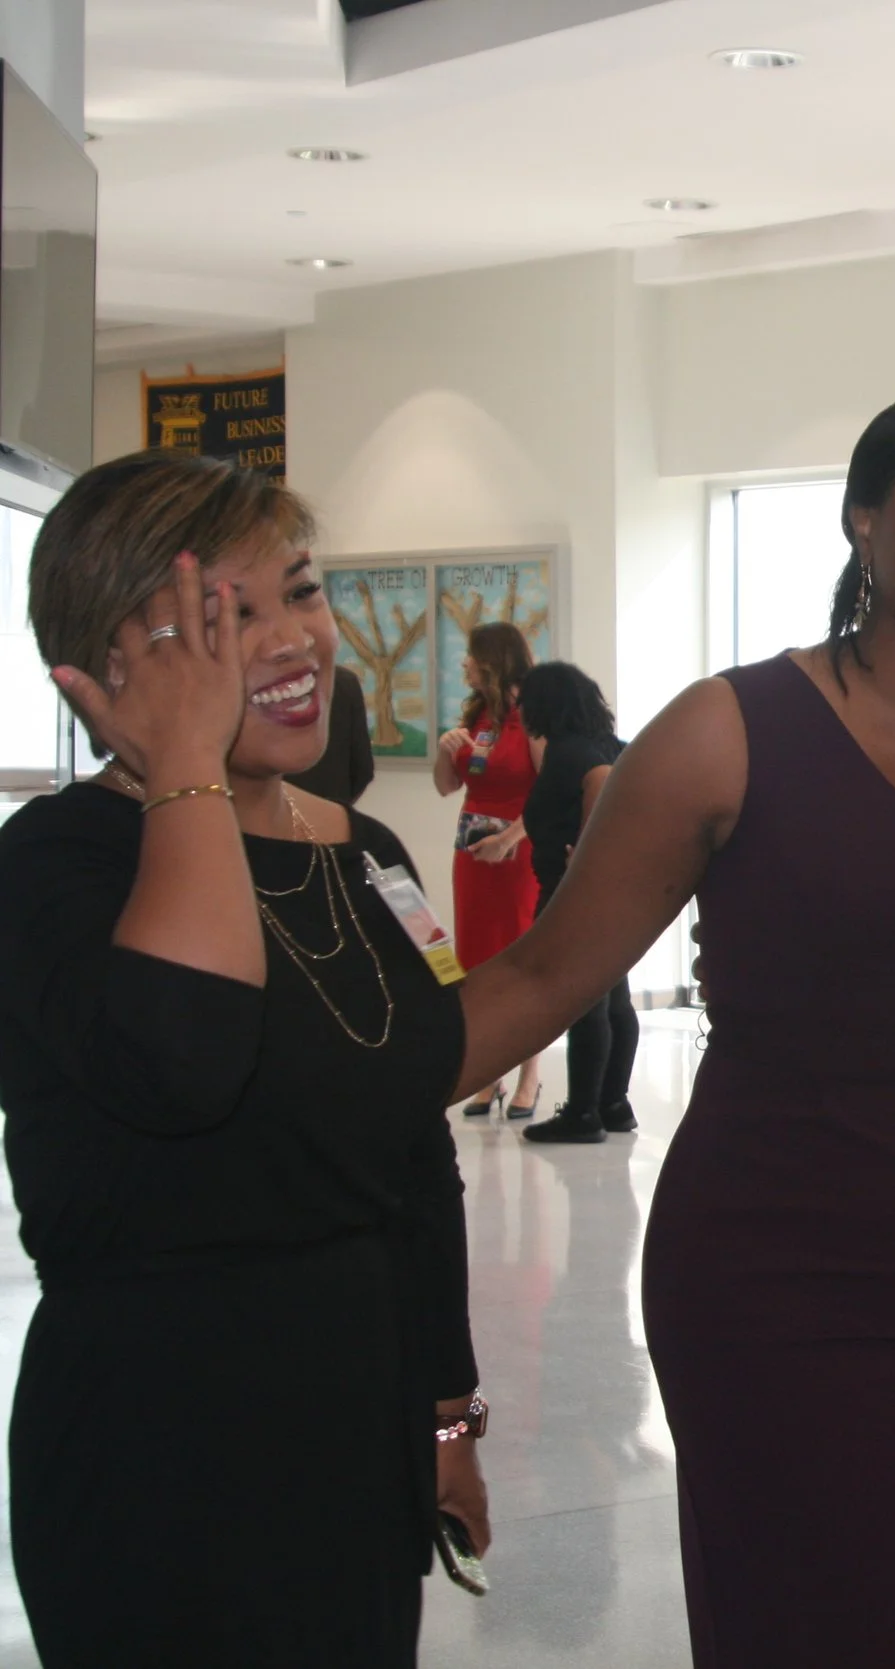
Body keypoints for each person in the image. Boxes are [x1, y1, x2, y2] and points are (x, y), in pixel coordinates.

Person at [451, 382, 895, 1668]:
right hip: (782, 1270)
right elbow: (540, 977)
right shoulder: (730, 730)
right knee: (823, 1622)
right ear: (863, 523)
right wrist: (325, 1097)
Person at [0, 451, 490, 1666]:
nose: (288, 641)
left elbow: (412, 1146)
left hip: (356, 1423)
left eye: (300, 592)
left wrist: (446, 1415)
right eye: (220, 618)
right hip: (158, 1441)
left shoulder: (371, 855)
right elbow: (185, 1060)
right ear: (111, 662)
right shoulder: (56, 862)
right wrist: (185, 770)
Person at [514, 662, 635, 1145]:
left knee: (586, 1002)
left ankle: (583, 1112)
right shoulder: (611, 745)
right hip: (616, 890)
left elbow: (599, 784)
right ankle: (613, 1103)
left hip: (576, 890)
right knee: (614, 999)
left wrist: (586, 852)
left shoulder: (569, 753)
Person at [433, 620, 542, 1119]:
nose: (465, 664)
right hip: (473, 857)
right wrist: (445, 751)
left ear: (493, 662)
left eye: (472, 655)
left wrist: (508, 839)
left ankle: (529, 1075)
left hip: (518, 855)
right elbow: (446, 787)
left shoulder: (532, 715)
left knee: (520, 957)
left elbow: (548, 791)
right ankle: (487, 1073)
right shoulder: (477, 716)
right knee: (474, 959)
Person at [287, 660, 374, 805]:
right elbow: (363, 769)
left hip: (273, 810)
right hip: (333, 803)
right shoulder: (345, 681)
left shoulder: (264, 679)